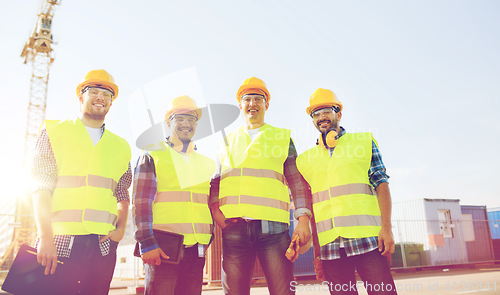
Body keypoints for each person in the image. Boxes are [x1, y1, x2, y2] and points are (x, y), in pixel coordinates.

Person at [30, 69, 132, 295]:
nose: (100, 98)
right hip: (61, 241)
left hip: (103, 246)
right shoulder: (55, 131)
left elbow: (122, 191)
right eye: (94, 91)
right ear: (81, 97)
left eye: (107, 95)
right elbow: (40, 186)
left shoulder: (121, 146)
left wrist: (121, 228)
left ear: (111, 103)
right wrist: (45, 237)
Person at [209, 77, 312, 295]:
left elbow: (297, 182)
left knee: (283, 291)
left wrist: (303, 220)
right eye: (248, 99)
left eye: (258, 99)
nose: (252, 104)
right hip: (234, 230)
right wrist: (215, 211)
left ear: (267, 104)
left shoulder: (282, 138)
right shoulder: (226, 142)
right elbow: (216, 182)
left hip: (273, 230)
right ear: (240, 105)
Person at [296, 88, 397, 295]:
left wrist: (386, 228)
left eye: (326, 111)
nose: (321, 117)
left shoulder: (364, 142)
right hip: (330, 247)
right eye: (315, 114)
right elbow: (313, 208)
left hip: (368, 240)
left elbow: (382, 184)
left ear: (338, 114)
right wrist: (317, 254)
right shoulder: (305, 160)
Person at [133, 95, 215, 295]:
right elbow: (141, 202)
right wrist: (147, 243)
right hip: (163, 250)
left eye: (191, 119)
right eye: (180, 118)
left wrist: (206, 240)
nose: (186, 124)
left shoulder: (205, 162)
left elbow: (204, 204)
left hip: (196, 250)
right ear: (168, 122)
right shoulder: (153, 154)